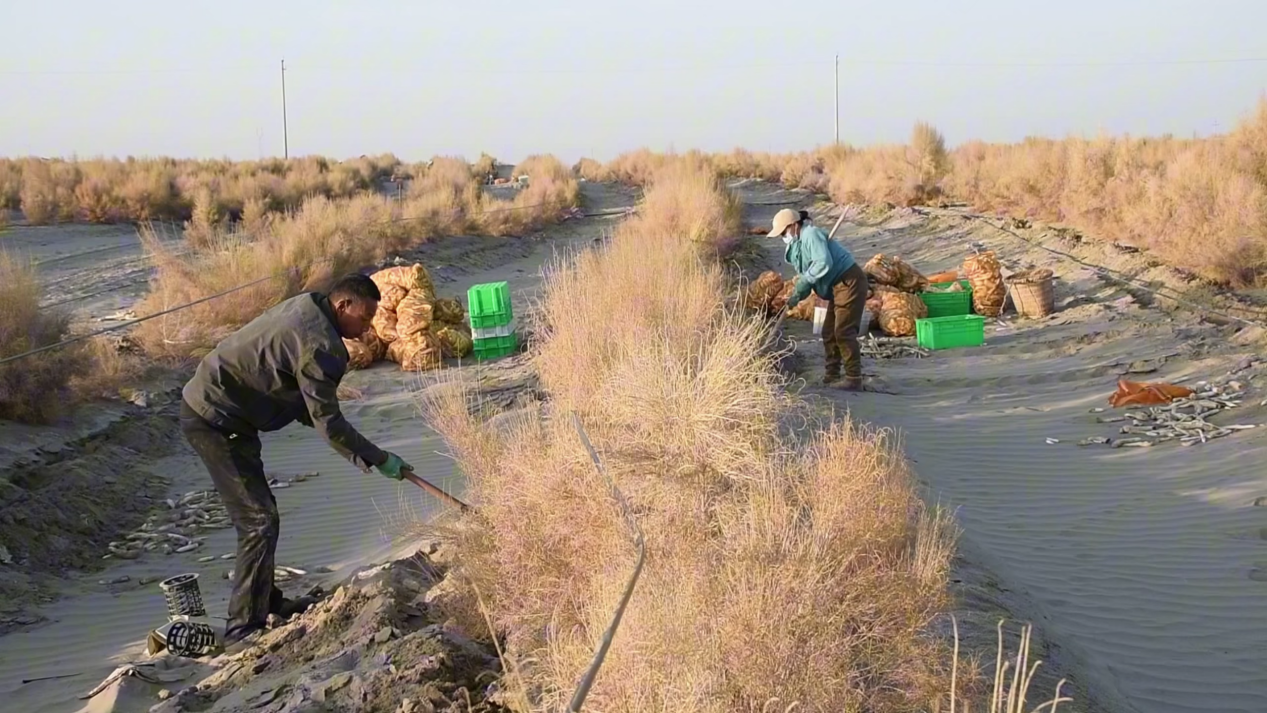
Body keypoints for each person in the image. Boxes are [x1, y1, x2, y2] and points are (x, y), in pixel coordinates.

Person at [179, 273, 414, 650]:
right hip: (214, 418)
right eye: (365, 317)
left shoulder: (310, 308)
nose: (368, 326)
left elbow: (305, 400)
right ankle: (243, 628)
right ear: (343, 306)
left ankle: (267, 601)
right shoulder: (321, 344)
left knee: (260, 514)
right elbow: (328, 422)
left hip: (228, 410)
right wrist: (379, 458)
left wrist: (348, 437)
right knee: (258, 520)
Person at [768, 208, 869, 390]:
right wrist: (795, 296)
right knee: (829, 332)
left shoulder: (811, 234)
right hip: (836, 287)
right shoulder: (798, 243)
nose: (783, 236)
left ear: (793, 226)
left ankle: (854, 378)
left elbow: (823, 263)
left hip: (848, 281)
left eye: (783, 232)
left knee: (843, 331)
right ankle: (832, 375)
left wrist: (803, 282)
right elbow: (807, 278)